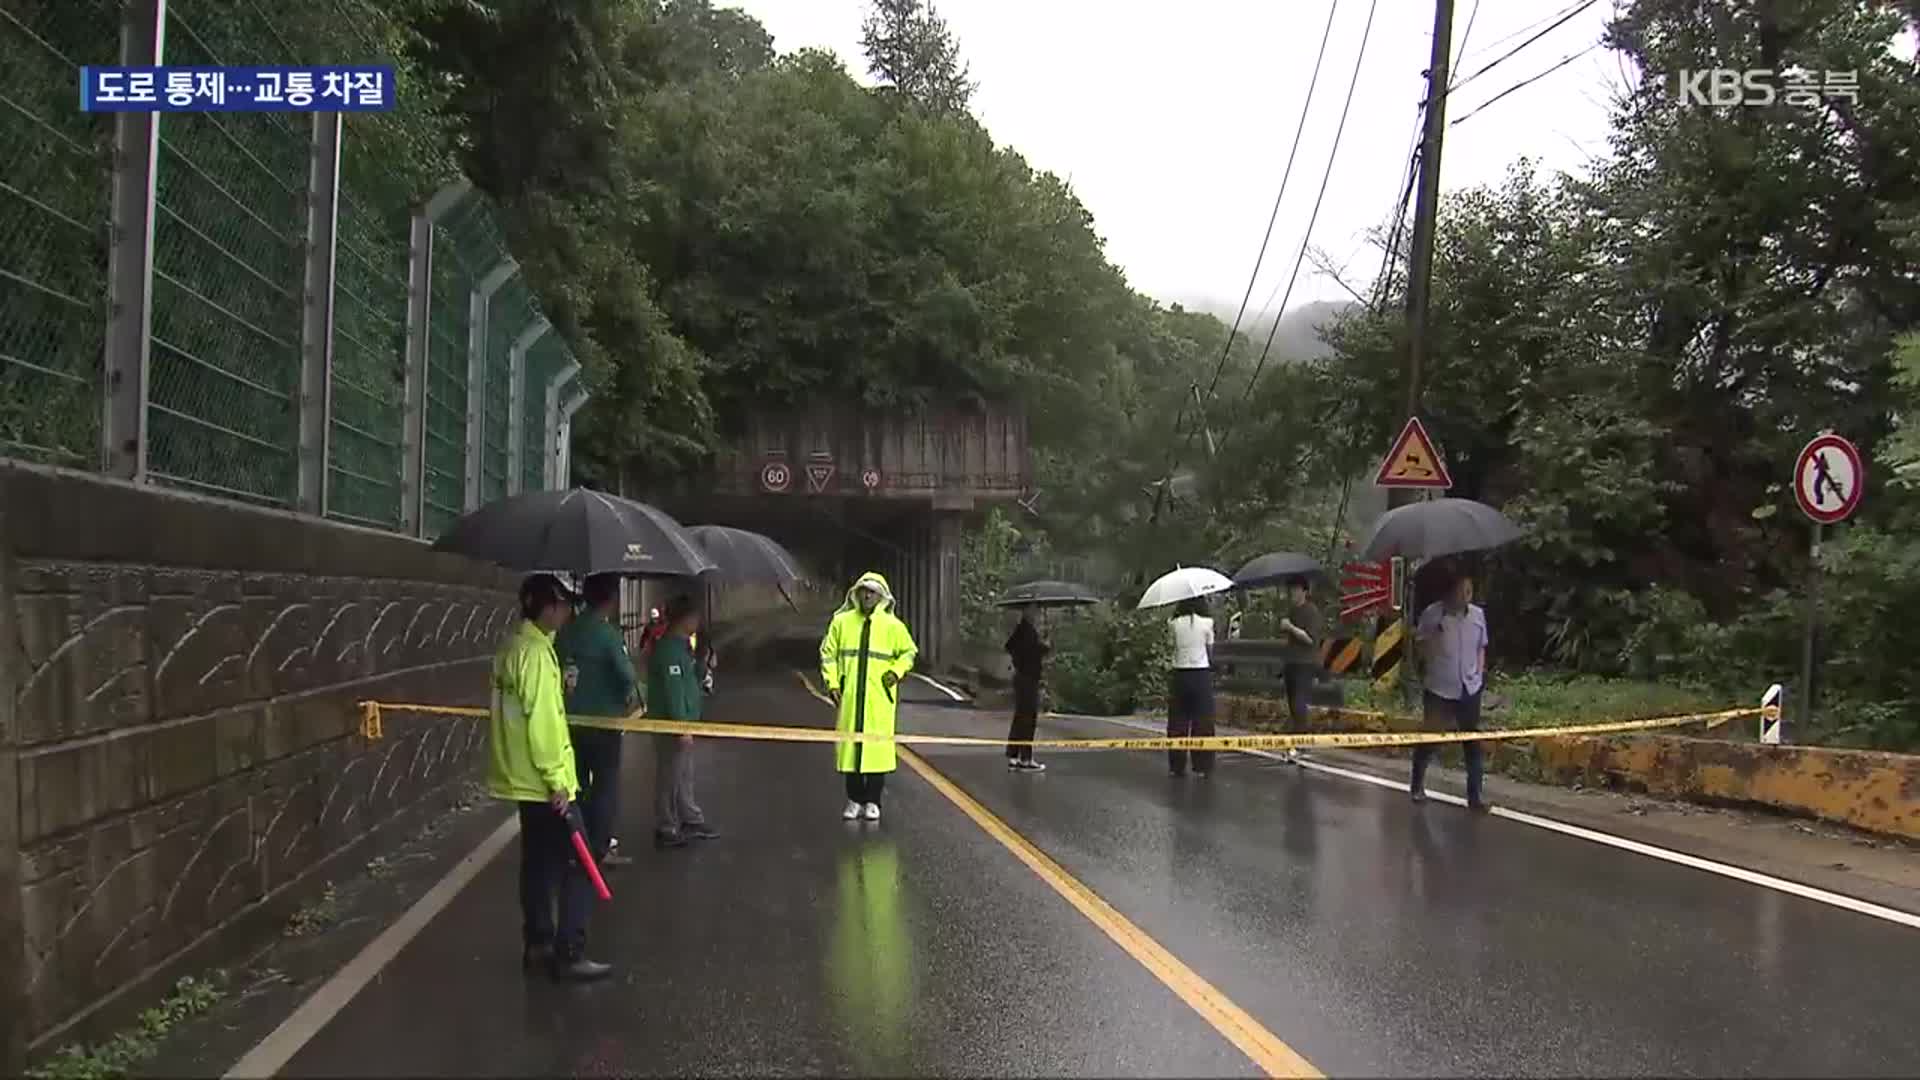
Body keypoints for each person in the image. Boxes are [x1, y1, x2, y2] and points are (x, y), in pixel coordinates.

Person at [487, 574, 610, 982]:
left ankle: (537, 944)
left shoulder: (512, 649)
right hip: (546, 783)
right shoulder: (537, 656)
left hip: (521, 778)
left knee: (537, 865)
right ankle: (570, 950)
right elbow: (542, 723)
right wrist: (558, 780)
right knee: (579, 861)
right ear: (547, 607)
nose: (568, 612)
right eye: (562, 605)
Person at [819, 572, 918, 822]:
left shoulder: (893, 627)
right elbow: (828, 653)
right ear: (856, 593)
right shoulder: (841, 622)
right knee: (851, 749)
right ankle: (854, 799)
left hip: (878, 699)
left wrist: (895, 673)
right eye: (864, 590)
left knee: (876, 750)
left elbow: (908, 652)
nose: (867, 595)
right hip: (850, 697)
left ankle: (873, 801)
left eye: (872, 592)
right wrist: (832, 682)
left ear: (881, 596)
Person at [554, 573, 636, 868]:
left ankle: (575, 844)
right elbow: (626, 675)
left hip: (570, 721)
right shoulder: (607, 634)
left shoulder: (566, 631)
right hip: (604, 723)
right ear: (612, 599)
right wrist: (628, 692)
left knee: (575, 785)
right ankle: (599, 849)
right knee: (605, 786)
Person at [1409, 565, 1491, 811]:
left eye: (1469, 589)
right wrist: (1435, 634)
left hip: (1469, 687)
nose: (1466, 594)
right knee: (1430, 740)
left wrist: (1479, 671)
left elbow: (1481, 645)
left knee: (1472, 744)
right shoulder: (1433, 614)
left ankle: (1475, 797)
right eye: (1461, 589)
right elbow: (1420, 649)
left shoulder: (1477, 615)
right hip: (1439, 689)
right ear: (1450, 591)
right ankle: (1416, 785)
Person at [648, 594, 719, 848]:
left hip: (685, 722)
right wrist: (681, 726)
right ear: (684, 618)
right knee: (669, 776)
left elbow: (690, 681)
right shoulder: (668, 649)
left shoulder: (682, 647)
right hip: (671, 725)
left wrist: (703, 664)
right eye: (695, 617)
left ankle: (689, 817)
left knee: (684, 774)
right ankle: (665, 825)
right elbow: (673, 690)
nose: (698, 622)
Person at [1166, 596, 1218, 778]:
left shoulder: (1173, 623)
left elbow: (1171, 645)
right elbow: (1210, 650)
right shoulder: (1207, 623)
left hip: (1180, 673)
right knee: (1203, 721)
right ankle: (1202, 765)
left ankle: (1177, 765)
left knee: (1177, 722)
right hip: (1201, 674)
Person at [1275, 575, 1323, 765]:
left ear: (1304, 591)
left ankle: (1299, 744)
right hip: (1291, 663)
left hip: (1305, 663)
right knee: (1292, 705)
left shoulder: (1311, 612)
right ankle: (1295, 741)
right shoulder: (1292, 610)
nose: (1292, 594)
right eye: (1290, 591)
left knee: (1299, 703)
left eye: (1295, 590)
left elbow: (1311, 639)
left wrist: (1291, 628)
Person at [1004, 606, 1050, 771]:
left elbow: (1009, 646)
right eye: (1036, 611)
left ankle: (1014, 754)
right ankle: (1026, 758)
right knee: (1028, 718)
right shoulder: (1027, 631)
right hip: (1028, 678)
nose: (1038, 614)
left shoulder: (1023, 628)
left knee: (1020, 716)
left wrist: (1019, 660)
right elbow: (1031, 652)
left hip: (1022, 677)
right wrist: (1043, 648)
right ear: (1028, 612)